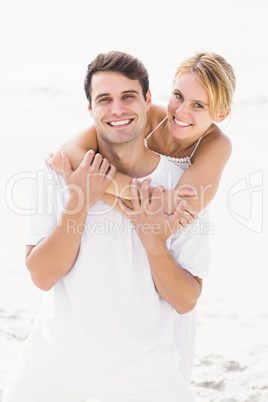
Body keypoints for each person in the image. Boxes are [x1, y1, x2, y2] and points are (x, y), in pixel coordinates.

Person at [2, 51, 211, 402]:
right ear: (90, 109)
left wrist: (154, 242)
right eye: (104, 100)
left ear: (147, 101)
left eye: (128, 96)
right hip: (51, 374)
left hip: (149, 382)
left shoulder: (181, 189)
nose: (117, 109)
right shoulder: (57, 172)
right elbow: (41, 276)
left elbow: (186, 300)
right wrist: (77, 206)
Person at [47, 51, 236, 381]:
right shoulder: (149, 116)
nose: (182, 111)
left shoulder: (216, 145)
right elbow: (69, 153)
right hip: (121, 251)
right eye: (179, 96)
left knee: (165, 363)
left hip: (170, 253)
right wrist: (117, 189)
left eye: (199, 106)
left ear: (221, 112)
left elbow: (174, 210)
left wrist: (91, 187)